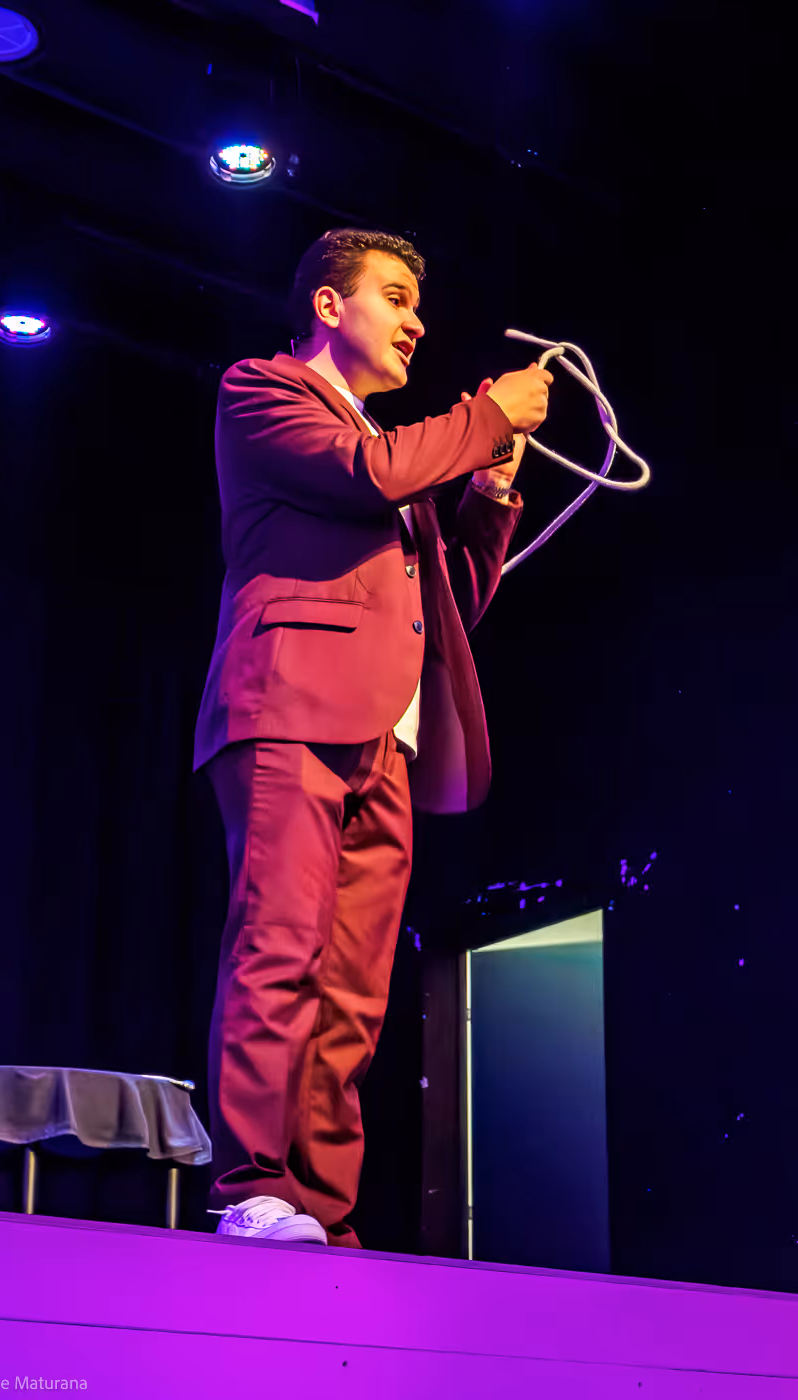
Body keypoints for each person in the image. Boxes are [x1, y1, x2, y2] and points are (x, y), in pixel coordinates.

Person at [193, 228, 552, 1247]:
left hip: (384, 732)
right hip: (290, 705)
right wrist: (483, 417)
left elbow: (452, 604)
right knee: (280, 945)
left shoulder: (403, 463)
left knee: (355, 982)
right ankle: (252, 1185)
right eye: (394, 297)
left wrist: (489, 491)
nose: (415, 320)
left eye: (416, 302)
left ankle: (319, 1205)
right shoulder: (265, 392)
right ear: (327, 307)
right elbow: (366, 473)